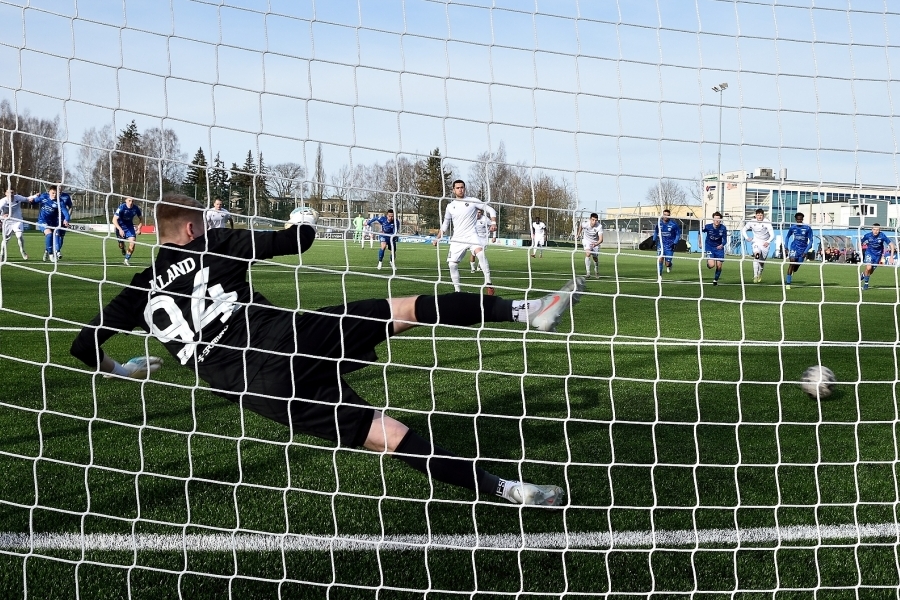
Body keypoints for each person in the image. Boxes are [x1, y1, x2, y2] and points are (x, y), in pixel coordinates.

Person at [70, 193, 585, 506]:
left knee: (387, 434)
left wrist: (125, 369)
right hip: (283, 341)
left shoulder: (138, 290)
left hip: (258, 391)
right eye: (202, 222)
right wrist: (304, 216)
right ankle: (525, 313)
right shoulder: (213, 243)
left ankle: (506, 490)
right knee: (400, 310)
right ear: (189, 229)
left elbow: (82, 344)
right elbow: (298, 242)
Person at [434, 180, 497, 294]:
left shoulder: (472, 201)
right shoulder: (450, 206)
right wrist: (437, 238)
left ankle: (488, 283)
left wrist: (493, 223)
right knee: (452, 265)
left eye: (462, 187)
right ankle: (458, 292)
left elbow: (491, 210)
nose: (460, 189)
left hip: (472, 235)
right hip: (457, 239)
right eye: (457, 188)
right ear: (453, 190)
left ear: (465, 188)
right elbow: (445, 224)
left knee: (481, 253)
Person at [30, 185, 70, 263]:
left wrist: (66, 220)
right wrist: (32, 200)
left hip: (54, 222)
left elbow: (66, 213)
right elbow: (34, 202)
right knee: (49, 234)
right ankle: (51, 254)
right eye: (53, 193)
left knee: (56, 237)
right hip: (42, 220)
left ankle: (47, 251)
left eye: (56, 193)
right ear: (49, 192)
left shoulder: (60, 201)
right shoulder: (44, 197)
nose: (54, 195)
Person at [741, 208, 774, 283]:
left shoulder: (767, 222)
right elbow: (743, 230)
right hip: (756, 242)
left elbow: (772, 235)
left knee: (761, 262)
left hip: (765, 243)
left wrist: (768, 241)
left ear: (763, 215)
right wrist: (747, 238)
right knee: (757, 256)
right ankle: (755, 275)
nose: (759, 217)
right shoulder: (752, 222)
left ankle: (760, 273)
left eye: (761, 215)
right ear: (755, 215)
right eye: (758, 215)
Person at [859, 223, 895, 290]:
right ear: (872, 229)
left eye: (877, 230)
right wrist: (860, 251)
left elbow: (892, 245)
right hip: (869, 253)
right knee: (869, 267)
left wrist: (891, 256)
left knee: (871, 271)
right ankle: (866, 284)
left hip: (878, 255)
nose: (875, 231)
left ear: (879, 230)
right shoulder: (868, 235)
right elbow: (860, 242)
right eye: (874, 229)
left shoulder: (882, 236)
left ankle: (863, 274)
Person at [783, 212, 813, 290]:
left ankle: (793, 270)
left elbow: (811, 241)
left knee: (795, 268)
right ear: (796, 219)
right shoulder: (793, 227)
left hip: (803, 249)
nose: (799, 220)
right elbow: (787, 237)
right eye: (798, 219)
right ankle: (788, 283)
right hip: (794, 247)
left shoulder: (807, 228)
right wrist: (786, 247)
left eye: (801, 219)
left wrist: (806, 251)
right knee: (792, 262)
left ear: (802, 219)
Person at [1, 187, 30, 261]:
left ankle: (22, 251)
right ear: (5, 193)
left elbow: (27, 199)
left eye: (12, 192)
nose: (11, 194)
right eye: (9, 192)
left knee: (19, 236)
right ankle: (2, 254)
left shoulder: (18, 198)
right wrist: (2, 216)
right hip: (7, 222)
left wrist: (35, 196)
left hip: (17, 221)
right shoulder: (2, 202)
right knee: (5, 239)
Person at [112, 197, 143, 266]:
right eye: (129, 201)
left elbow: (141, 219)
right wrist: (120, 229)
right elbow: (114, 220)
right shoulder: (121, 208)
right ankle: (123, 248)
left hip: (129, 227)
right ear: (126, 201)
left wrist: (139, 228)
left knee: (132, 243)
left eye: (132, 201)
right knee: (121, 245)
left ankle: (126, 260)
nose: (131, 202)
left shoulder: (135, 208)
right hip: (120, 227)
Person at [700, 211, 728, 286]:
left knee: (719, 266)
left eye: (718, 219)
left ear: (720, 220)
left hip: (719, 248)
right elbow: (700, 231)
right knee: (711, 265)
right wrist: (699, 242)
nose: (717, 221)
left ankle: (715, 280)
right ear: (713, 219)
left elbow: (725, 239)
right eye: (715, 219)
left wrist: (722, 245)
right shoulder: (708, 226)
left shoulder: (723, 228)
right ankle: (708, 262)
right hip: (709, 246)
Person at [652, 209, 681, 278]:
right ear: (662, 215)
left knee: (667, 263)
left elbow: (678, 234)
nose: (666, 217)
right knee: (660, 259)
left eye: (667, 215)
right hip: (661, 245)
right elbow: (656, 232)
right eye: (664, 215)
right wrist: (653, 240)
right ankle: (660, 275)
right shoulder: (659, 223)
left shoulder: (674, 224)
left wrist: (675, 243)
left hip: (670, 246)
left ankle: (669, 265)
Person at [577, 213, 603, 278]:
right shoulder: (585, 223)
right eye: (593, 220)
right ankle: (588, 273)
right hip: (586, 240)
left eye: (596, 220)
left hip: (595, 242)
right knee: (588, 254)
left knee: (595, 258)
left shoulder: (599, 226)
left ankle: (596, 270)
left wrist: (596, 244)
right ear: (590, 219)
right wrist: (578, 234)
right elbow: (581, 226)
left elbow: (601, 239)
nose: (594, 222)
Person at [469, 208, 494, 273]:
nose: (478, 214)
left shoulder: (485, 219)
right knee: (473, 253)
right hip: (474, 238)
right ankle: (472, 267)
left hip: (484, 239)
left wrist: (494, 236)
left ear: (481, 213)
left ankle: (479, 267)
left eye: (479, 212)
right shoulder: (471, 218)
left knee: (481, 254)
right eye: (476, 212)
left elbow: (493, 226)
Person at [53, 185, 74, 259]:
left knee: (61, 236)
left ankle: (53, 250)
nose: (60, 188)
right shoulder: (52, 195)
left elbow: (71, 207)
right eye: (58, 186)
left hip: (64, 219)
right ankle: (57, 252)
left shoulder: (66, 196)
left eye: (61, 186)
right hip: (54, 219)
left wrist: (67, 218)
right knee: (56, 234)